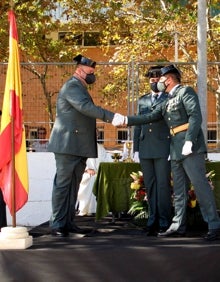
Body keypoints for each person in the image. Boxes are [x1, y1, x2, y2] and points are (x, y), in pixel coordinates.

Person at [114, 64, 220, 241]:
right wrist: (126, 120)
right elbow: (151, 116)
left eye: (161, 79)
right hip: (175, 149)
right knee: (179, 190)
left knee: (200, 186)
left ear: (169, 79)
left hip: (189, 147)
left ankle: (214, 225)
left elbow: (195, 116)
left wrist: (189, 140)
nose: (158, 82)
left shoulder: (185, 92)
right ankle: (179, 225)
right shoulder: (167, 99)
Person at [48, 54, 124, 237]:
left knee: (73, 185)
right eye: (90, 72)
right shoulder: (72, 86)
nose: (92, 76)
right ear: (79, 70)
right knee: (63, 185)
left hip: (77, 145)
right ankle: (57, 223)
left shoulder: (80, 87)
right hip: (67, 144)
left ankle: (67, 222)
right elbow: (85, 108)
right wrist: (111, 117)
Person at [133, 66, 172, 235]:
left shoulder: (169, 98)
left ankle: (164, 221)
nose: (154, 83)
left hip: (163, 147)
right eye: (151, 80)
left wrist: (172, 146)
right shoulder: (142, 100)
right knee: (150, 186)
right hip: (145, 148)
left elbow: (173, 123)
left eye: (157, 80)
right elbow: (138, 124)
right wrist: (135, 149)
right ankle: (152, 220)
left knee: (163, 186)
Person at [77, 140, 112, 216]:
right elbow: (79, 161)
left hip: (99, 172)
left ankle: (101, 209)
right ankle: (88, 209)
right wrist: (87, 169)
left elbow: (105, 160)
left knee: (105, 179)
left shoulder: (101, 147)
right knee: (92, 179)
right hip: (86, 173)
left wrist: (102, 170)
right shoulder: (83, 146)